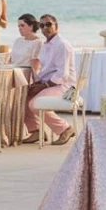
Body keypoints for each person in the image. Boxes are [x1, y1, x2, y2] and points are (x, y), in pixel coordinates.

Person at [24, 14, 76, 146]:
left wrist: (43, 86)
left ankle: (65, 129)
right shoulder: (46, 45)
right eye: (41, 25)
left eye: (48, 24)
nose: (45, 28)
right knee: (23, 95)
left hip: (68, 89)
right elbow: (46, 71)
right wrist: (38, 83)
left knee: (34, 103)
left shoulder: (62, 45)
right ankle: (35, 130)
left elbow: (62, 75)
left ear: (56, 26)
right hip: (53, 85)